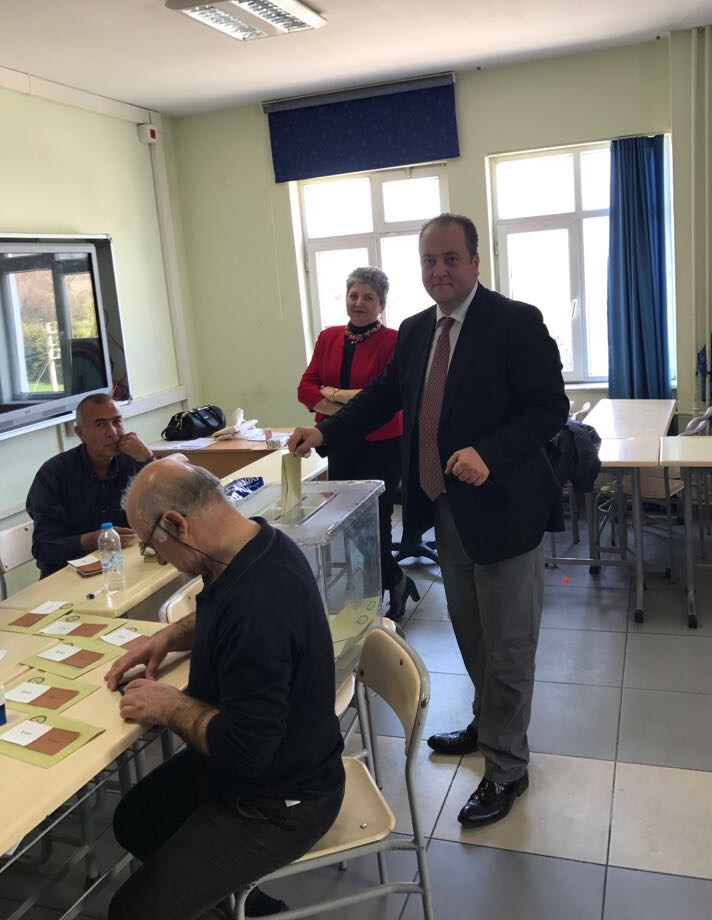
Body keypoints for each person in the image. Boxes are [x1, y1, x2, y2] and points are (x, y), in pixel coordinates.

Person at [290, 213, 569, 828]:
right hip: (446, 508)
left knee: (508, 644)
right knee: (471, 630)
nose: (439, 270)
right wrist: (326, 431)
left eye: (450, 258)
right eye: (428, 260)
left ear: (475, 262)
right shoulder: (417, 331)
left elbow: (551, 407)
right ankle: (487, 723)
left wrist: (489, 453)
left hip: (506, 512)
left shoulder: (515, 323)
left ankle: (508, 767)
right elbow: (382, 398)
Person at [104, 456, 344, 920]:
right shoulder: (255, 545)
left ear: (176, 523)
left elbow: (246, 750)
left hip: (282, 800)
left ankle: (234, 897)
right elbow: (222, 612)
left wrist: (170, 705)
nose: (160, 559)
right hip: (262, 765)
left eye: (153, 546)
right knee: (136, 820)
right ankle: (238, 900)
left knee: (132, 912)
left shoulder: (260, 605)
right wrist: (167, 637)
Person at [297, 265, 413, 619]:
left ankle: (379, 594)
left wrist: (330, 394)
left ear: (382, 305)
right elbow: (305, 389)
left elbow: (382, 397)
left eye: (368, 297)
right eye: (353, 295)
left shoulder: (394, 340)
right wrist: (349, 402)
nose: (359, 303)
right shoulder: (328, 337)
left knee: (374, 524)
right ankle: (395, 579)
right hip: (339, 443)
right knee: (347, 523)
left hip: (381, 444)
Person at [26, 393, 154, 576]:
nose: (113, 432)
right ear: (80, 433)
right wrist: (92, 540)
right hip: (69, 575)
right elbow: (44, 548)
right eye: (100, 425)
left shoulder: (134, 460)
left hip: (125, 565)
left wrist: (148, 461)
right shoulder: (54, 474)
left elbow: (170, 510)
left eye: (117, 421)